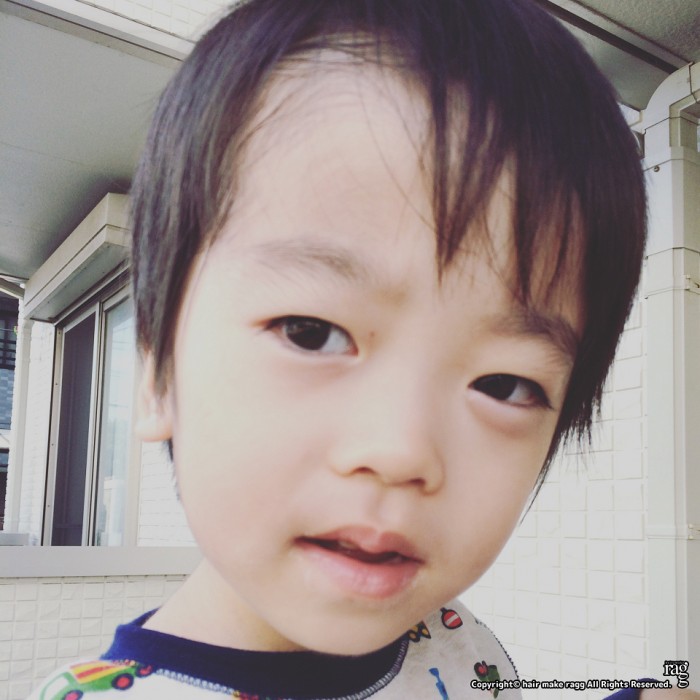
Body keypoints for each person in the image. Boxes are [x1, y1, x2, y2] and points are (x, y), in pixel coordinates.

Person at [31, 0, 693, 698]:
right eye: (311, 332)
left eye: (504, 384)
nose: (402, 452)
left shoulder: (447, 633)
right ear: (157, 372)